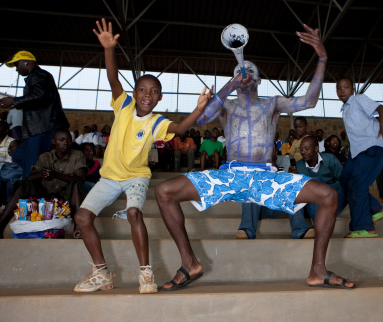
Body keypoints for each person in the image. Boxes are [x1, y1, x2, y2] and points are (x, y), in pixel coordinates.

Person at [156, 24, 356, 291]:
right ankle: (189, 262)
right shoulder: (225, 104)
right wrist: (229, 85)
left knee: (328, 196)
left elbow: (308, 101)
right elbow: (202, 118)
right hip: (230, 175)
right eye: (241, 71)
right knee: (164, 191)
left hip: (266, 177)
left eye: (251, 72)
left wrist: (322, 58)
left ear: (259, 80)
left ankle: (318, 270)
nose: (245, 74)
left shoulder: (271, 103)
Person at [73, 19, 211, 294]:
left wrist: (197, 111)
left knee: (135, 212)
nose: (148, 94)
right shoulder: (123, 105)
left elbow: (181, 128)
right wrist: (109, 49)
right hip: (109, 177)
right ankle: (101, 273)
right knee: (82, 218)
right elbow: (113, 78)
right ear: (135, 93)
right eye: (142, 90)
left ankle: (145, 274)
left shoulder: (157, 122)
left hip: (136, 176)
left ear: (159, 98)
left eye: (154, 91)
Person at [336, 77, 383, 238]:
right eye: (339, 88)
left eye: (346, 87)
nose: (342, 91)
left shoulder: (358, 99)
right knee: (345, 180)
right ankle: (375, 208)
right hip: (358, 151)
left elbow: (381, 108)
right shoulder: (345, 109)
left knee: (357, 185)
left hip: (373, 146)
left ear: (353, 90)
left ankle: (364, 227)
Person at [0, 130, 87, 239]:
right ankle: (0, 225)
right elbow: (30, 177)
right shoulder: (45, 157)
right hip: (45, 196)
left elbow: (81, 179)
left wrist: (56, 175)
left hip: (66, 197)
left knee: (76, 184)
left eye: (68, 140)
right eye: (61, 140)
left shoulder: (77, 155)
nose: (65, 143)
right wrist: (42, 173)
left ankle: (78, 228)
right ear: (53, 141)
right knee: (23, 185)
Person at [0, 51, 70, 180]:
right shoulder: (37, 76)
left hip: (43, 128)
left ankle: (29, 194)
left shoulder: (38, 75)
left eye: (17, 65)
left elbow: (40, 94)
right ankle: (40, 178)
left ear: (26, 62)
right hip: (37, 128)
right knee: (19, 155)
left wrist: (14, 101)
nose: (16, 69)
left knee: (30, 162)